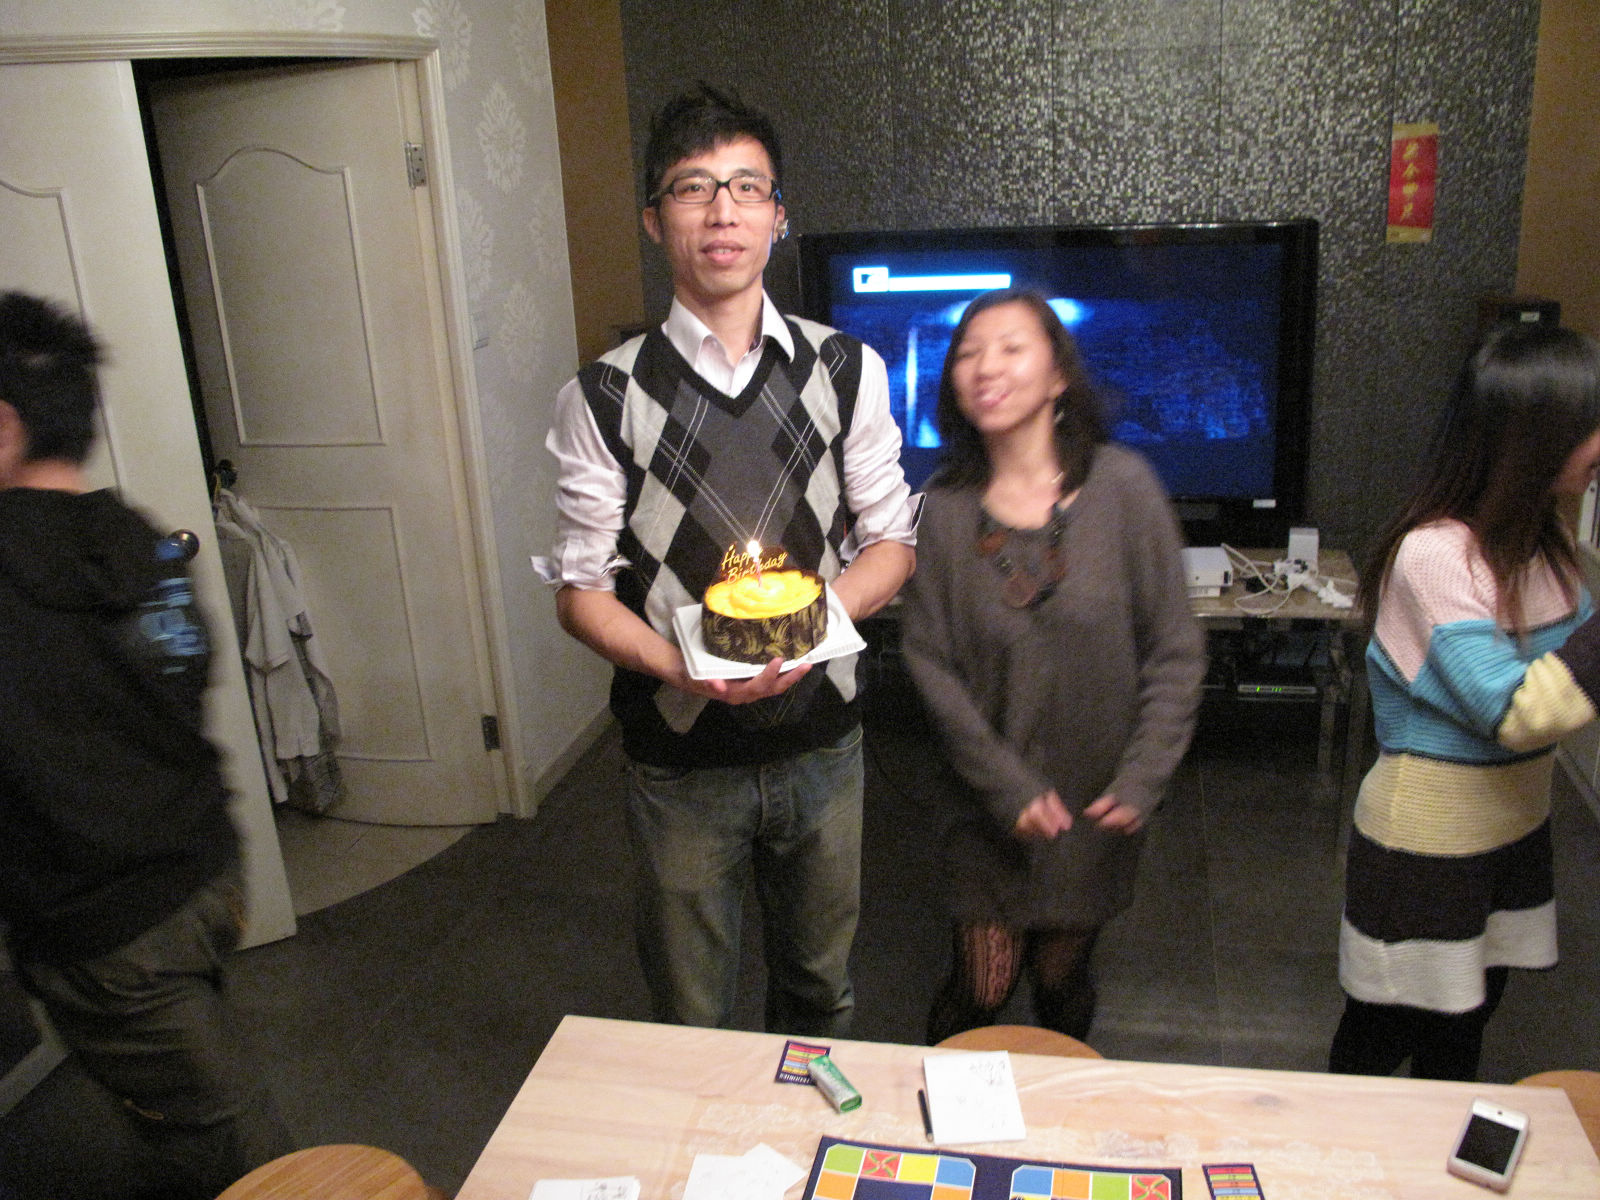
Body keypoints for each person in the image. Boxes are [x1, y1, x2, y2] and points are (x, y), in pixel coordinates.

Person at [542, 84, 918, 1034]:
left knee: (820, 993)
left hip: (822, 743)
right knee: (689, 1016)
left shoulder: (846, 370)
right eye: (693, 187)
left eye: (748, 187)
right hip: (679, 760)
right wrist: (679, 666)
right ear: (654, 218)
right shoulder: (602, 396)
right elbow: (580, 593)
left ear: (778, 216)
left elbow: (892, 544)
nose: (723, 211)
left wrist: (807, 629)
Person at [0, 292, 292, 1197]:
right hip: (208, 874)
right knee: (192, 1080)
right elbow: (180, 683)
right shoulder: (138, 542)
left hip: (109, 925)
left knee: (234, 1144)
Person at [900, 288, 1206, 1044]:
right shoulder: (943, 508)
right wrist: (1006, 785)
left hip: (1092, 802)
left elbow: (1174, 649)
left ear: (1059, 375)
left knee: (1061, 977)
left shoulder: (1125, 487)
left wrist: (1143, 776)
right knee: (984, 984)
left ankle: (1059, 1104)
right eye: (969, 353)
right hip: (982, 802)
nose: (985, 367)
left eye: (1011, 348)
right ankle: (938, 1107)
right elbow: (929, 661)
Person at [1329, 322, 1600, 1081]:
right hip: (1426, 852)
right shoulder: (1435, 555)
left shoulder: (1546, 545)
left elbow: (1573, 680)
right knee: (1380, 1043)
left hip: (1513, 834)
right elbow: (1519, 713)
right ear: (1538, 436)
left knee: (1464, 1035)